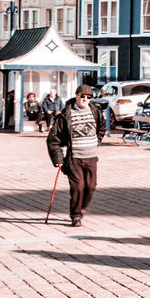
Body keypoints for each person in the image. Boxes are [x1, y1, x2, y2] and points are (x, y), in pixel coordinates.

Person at [46, 84, 107, 227]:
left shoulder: (95, 112)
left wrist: (96, 141)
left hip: (91, 156)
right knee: (78, 186)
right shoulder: (65, 115)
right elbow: (52, 139)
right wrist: (58, 159)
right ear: (76, 95)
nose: (85, 99)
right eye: (82, 96)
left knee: (91, 186)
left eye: (89, 97)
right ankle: (76, 215)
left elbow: (102, 127)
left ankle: (82, 208)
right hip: (74, 158)